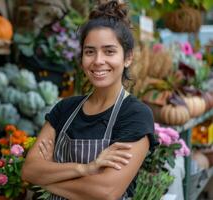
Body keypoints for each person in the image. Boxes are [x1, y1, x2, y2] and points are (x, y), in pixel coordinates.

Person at [22, 1, 158, 199]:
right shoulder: (65, 108)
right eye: (90, 51)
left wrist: (48, 177)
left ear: (127, 57)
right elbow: (30, 170)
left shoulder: (135, 115)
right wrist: (86, 169)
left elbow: (106, 192)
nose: (98, 61)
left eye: (109, 51)